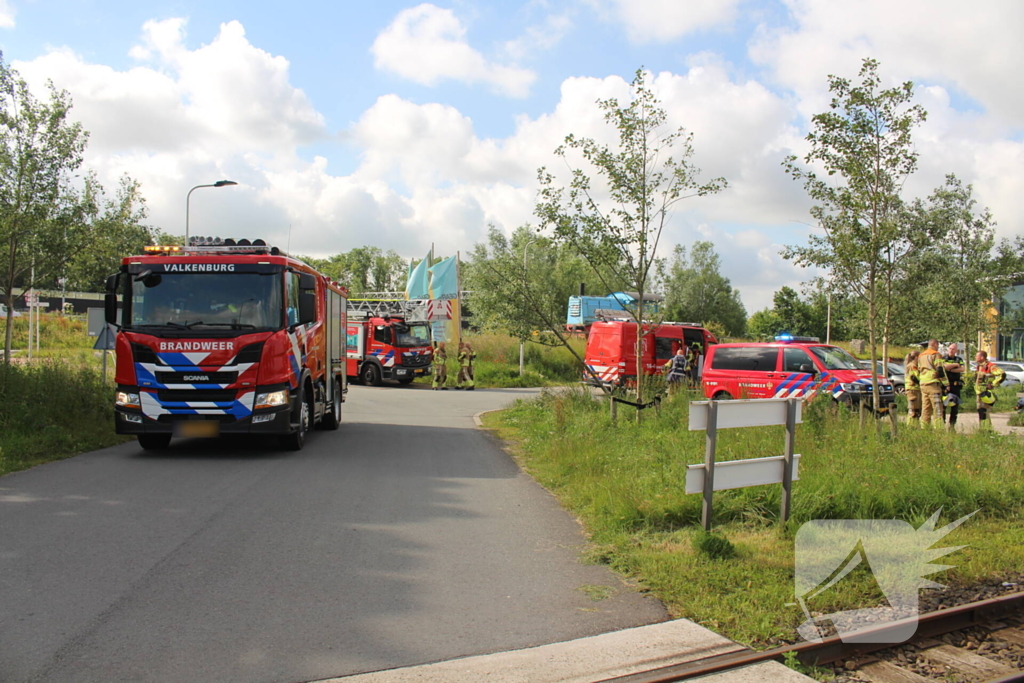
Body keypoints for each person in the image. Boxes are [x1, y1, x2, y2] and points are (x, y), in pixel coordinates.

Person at [916, 339, 947, 428]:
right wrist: (946, 383)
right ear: (935, 344)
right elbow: (940, 370)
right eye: (937, 345)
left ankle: (924, 428)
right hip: (933, 383)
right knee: (937, 408)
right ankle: (939, 429)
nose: (938, 347)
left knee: (925, 408)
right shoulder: (936, 354)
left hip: (923, 383)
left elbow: (919, 369)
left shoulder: (921, 355)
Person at [973, 350, 1006, 430]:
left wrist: (993, 384)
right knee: (981, 411)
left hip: (986, 393)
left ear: (982, 357)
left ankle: (986, 430)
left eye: (976, 356)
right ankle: (984, 429)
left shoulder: (990, 366)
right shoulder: (979, 366)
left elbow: (1002, 374)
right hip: (979, 393)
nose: (975, 357)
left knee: (984, 411)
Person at [942, 343, 966, 430]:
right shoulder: (944, 358)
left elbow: (963, 369)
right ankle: (942, 424)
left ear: (956, 351)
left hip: (955, 386)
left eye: (953, 349)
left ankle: (952, 426)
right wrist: (955, 366)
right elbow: (945, 367)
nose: (951, 350)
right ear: (948, 349)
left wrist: (950, 369)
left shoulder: (958, 359)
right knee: (943, 406)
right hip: (945, 386)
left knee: (955, 407)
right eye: (950, 348)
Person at [904, 350, 921, 423]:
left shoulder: (914, 365)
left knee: (917, 410)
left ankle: (915, 426)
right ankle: (910, 426)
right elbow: (916, 376)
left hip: (915, 389)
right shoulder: (912, 365)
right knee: (913, 410)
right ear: (916, 357)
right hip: (912, 389)